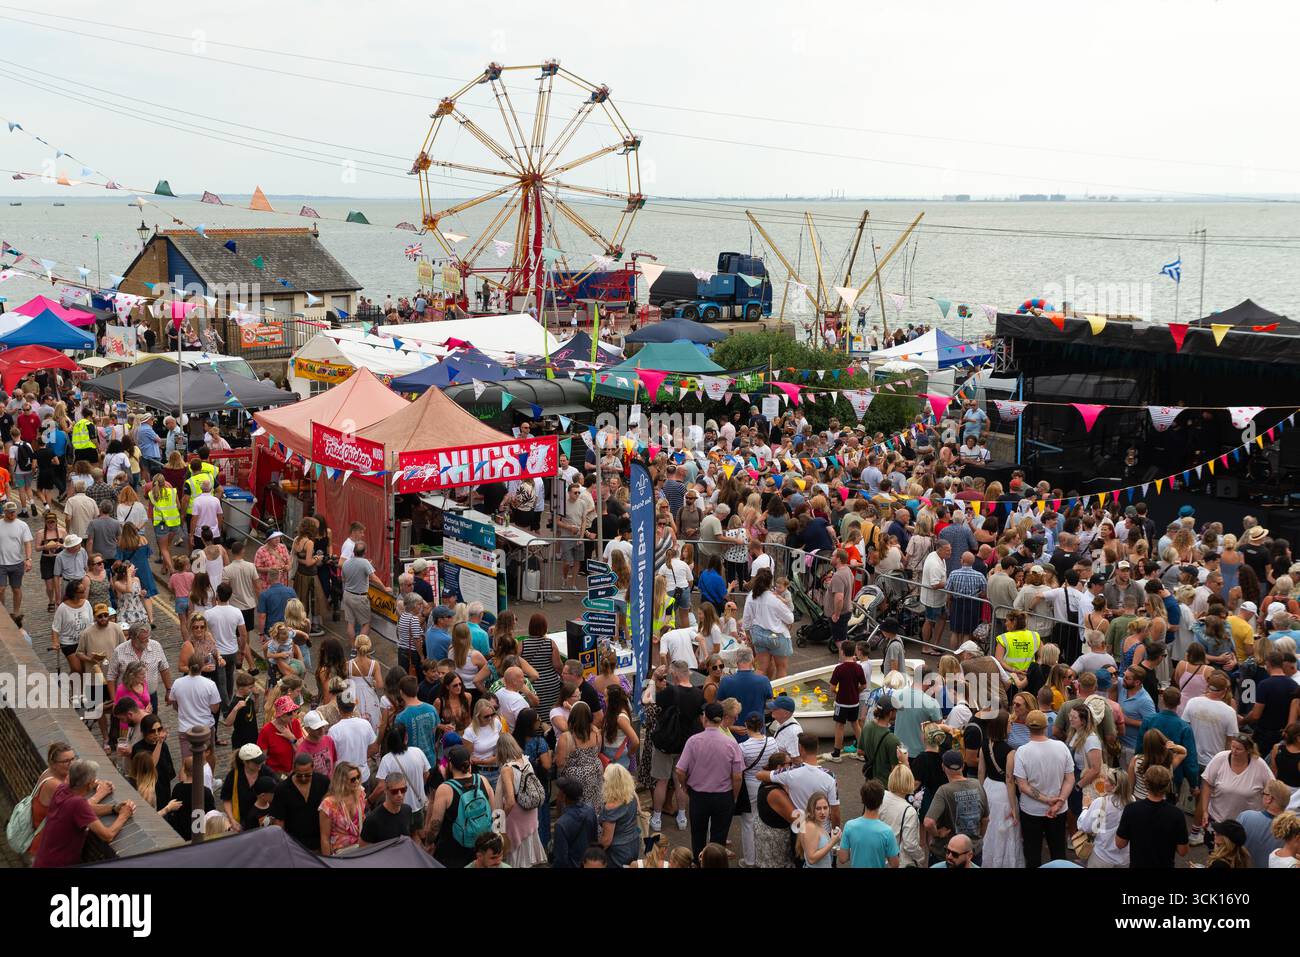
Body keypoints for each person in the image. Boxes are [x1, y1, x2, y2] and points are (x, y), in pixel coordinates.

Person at [32, 759, 135, 868]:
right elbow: (107, 835)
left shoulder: (62, 789)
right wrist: (124, 815)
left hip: (42, 860)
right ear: (90, 783)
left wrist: (113, 808)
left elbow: (86, 809)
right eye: (94, 779)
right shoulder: (77, 803)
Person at [675, 701, 743, 857]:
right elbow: (737, 776)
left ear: (705, 718)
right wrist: (734, 796)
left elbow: (680, 770)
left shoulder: (693, 741)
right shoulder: (731, 743)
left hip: (698, 795)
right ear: (721, 719)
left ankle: (699, 863)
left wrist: (684, 786)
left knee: (698, 836)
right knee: (718, 840)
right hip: (723, 796)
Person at [1013, 709, 1075, 866]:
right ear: (1046, 726)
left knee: (1032, 854)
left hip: (1031, 811)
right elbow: (1070, 779)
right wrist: (1058, 803)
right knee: (1058, 853)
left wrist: (1048, 800)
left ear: (1027, 727)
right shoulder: (1061, 747)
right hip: (1058, 811)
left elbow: (1023, 785)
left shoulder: (1022, 751)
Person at [423, 744, 495, 869]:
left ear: (450, 765)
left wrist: (428, 842)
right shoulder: (482, 780)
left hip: (452, 853)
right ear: (469, 763)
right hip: (479, 850)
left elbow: (435, 825)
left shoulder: (445, 789)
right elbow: (495, 813)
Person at [1197, 734, 1275, 840]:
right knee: (1215, 853)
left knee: (1240, 855)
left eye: (1239, 749)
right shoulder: (1220, 758)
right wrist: (1205, 811)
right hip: (1218, 819)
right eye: (1232, 746)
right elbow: (1206, 783)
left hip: (1245, 826)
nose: (1233, 751)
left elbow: (1272, 788)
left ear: (1248, 751)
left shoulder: (1259, 765)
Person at [1115, 764, 1189, 867]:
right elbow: (1183, 851)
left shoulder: (1131, 809)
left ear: (1146, 784)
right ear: (1168, 785)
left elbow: (1120, 844)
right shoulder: (1177, 814)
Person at [925, 749, 990, 866]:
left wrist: (937, 834)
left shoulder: (944, 791)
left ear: (943, 767)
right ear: (963, 766)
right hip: (972, 852)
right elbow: (985, 819)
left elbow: (928, 822)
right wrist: (977, 839)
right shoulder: (977, 784)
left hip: (948, 855)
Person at [1077, 766, 1133, 868]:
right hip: (1125, 858)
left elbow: (1087, 827)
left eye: (1107, 780)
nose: (1103, 781)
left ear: (1114, 786)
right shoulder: (1131, 800)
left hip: (1102, 857)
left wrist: (1085, 807)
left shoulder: (1101, 803)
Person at [838, 779, 900, 868]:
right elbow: (895, 864)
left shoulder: (849, 826)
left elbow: (843, 858)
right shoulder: (887, 831)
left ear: (862, 799)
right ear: (881, 801)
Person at [318, 761, 366, 856]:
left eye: (358, 777)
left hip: (360, 849)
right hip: (340, 854)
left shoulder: (360, 793)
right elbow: (324, 838)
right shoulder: (328, 804)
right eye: (352, 779)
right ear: (341, 781)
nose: (357, 781)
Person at [551, 776, 598, 868]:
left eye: (559, 792)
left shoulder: (561, 824)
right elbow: (594, 840)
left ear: (563, 796)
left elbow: (561, 859)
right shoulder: (590, 811)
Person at [360, 771, 414, 846]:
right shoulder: (372, 820)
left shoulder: (407, 810)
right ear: (385, 790)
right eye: (394, 791)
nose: (400, 795)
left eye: (403, 790)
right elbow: (363, 849)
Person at [0, 499, 33, 618]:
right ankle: (2, 613)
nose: (12, 514)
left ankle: (16, 612)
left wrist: (28, 559)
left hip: (17, 563)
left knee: (16, 589)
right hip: (1, 564)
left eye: (14, 512)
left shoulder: (22, 525)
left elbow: (27, 543)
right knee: (1, 589)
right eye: (9, 512)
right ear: (4, 512)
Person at [798, 791, 842, 868]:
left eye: (825, 808)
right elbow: (811, 859)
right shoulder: (810, 827)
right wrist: (832, 842)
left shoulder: (818, 824)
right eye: (818, 808)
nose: (822, 812)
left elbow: (822, 849)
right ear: (811, 809)